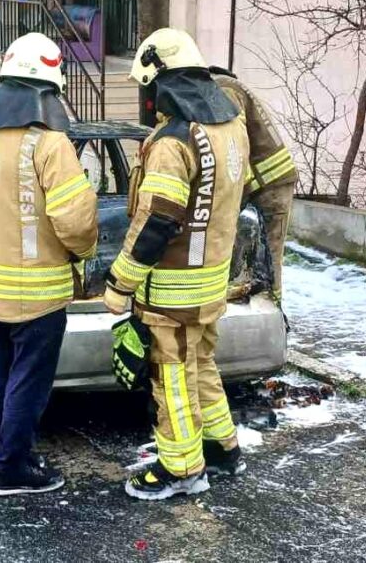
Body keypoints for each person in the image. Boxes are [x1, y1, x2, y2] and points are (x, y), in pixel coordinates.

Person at [0, 33, 98, 496]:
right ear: (44, 89)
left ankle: (2, 459)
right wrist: (85, 252)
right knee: (28, 384)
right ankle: (11, 469)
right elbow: (74, 220)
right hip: (40, 290)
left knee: (0, 376)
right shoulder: (49, 143)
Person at [105, 28, 250, 501]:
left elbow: (157, 222)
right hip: (210, 283)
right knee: (201, 364)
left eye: (146, 88)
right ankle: (222, 447)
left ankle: (182, 468)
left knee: (172, 379)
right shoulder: (230, 127)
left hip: (171, 291)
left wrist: (120, 282)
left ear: (160, 81)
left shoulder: (173, 142)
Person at [210, 67, 298, 300]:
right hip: (266, 183)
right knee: (260, 255)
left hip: (270, 186)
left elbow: (235, 146)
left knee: (269, 256)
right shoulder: (229, 86)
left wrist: (231, 198)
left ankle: (273, 313)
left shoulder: (224, 90)